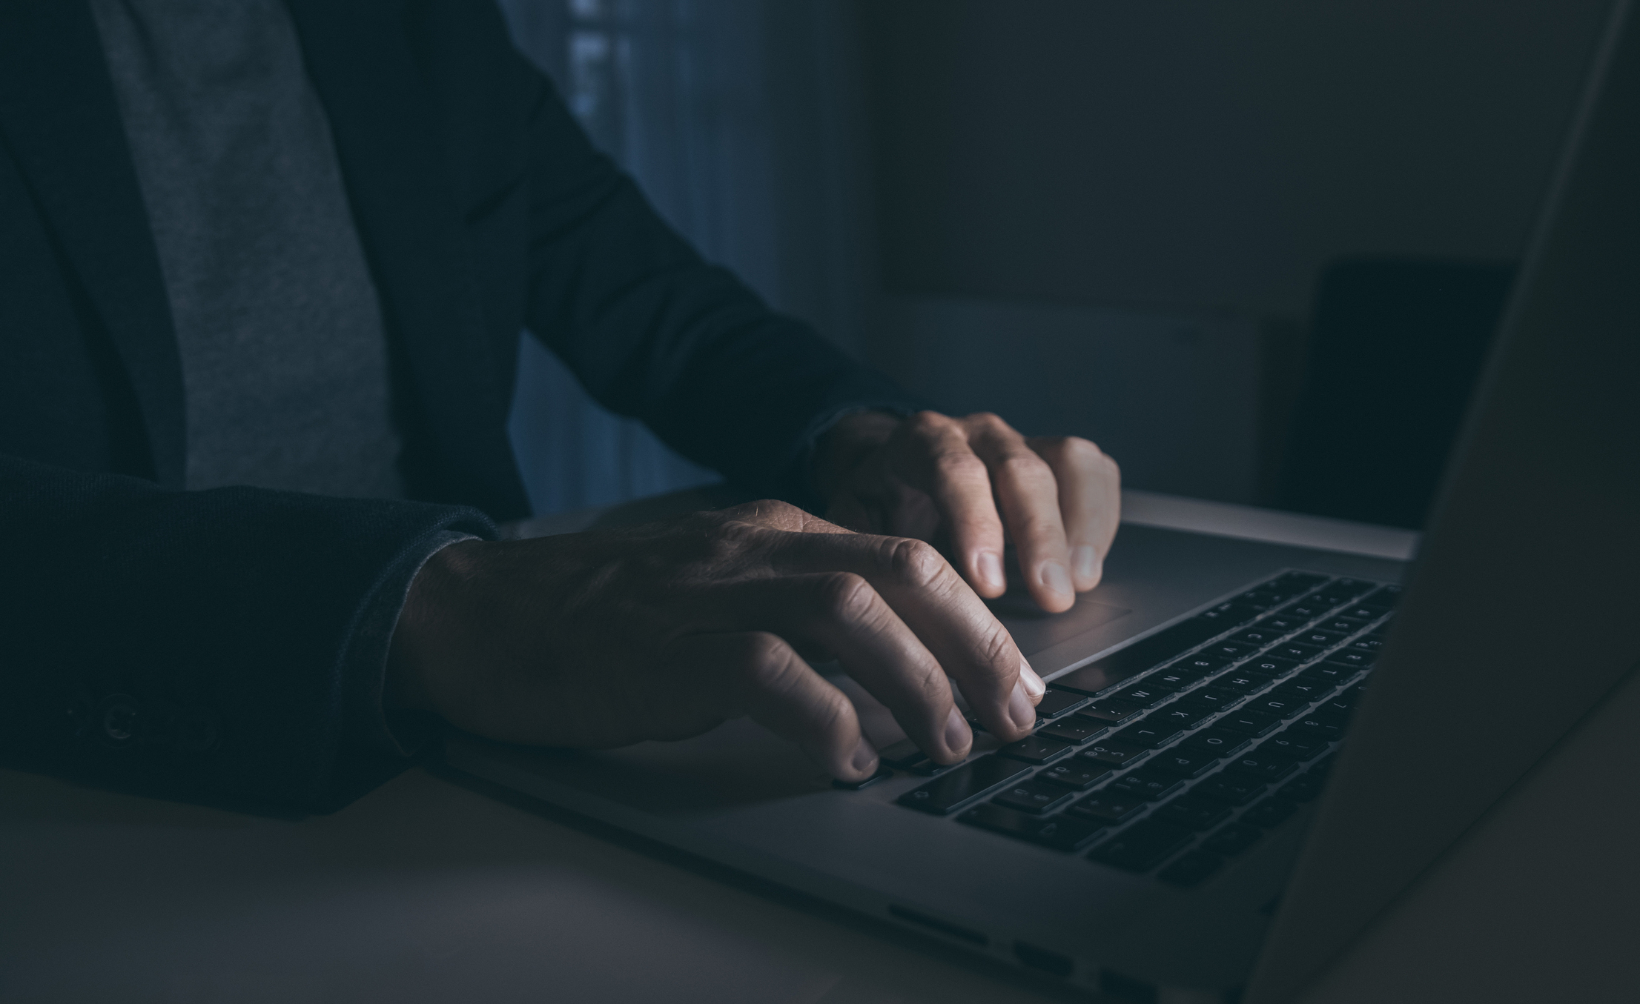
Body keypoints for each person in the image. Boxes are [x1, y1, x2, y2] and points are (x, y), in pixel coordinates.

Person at [0, 0, 1120, 811]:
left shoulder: (418, 31)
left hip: (480, 760)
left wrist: (863, 436)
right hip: (98, 782)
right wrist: (440, 608)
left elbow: (656, 301)